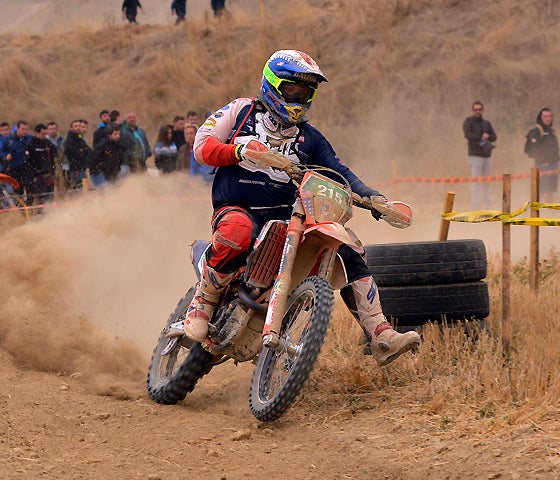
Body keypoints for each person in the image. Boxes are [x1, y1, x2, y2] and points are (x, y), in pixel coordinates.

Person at [184, 49, 421, 366]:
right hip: (237, 207)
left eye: (305, 92)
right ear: (272, 84)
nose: (297, 98)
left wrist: (375, 199)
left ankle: (380, 334)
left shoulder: (310, 138)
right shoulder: (241, 111)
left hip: (287, 218)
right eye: (291, 90)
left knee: (347, 249)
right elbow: (202, 146)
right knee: (237, 232)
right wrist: (239, 150)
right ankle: (205, 297)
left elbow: (341, 173)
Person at [463, 101, 497, 210]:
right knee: (476, 181)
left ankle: (487, 204)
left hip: (487, 155)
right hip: (475, 155)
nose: (477, 111)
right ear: (473, 110)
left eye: (479, 109)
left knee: (487, 181)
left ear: (482, 110)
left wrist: (488, 136)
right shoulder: (468, 122)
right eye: (475, 109)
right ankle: (475, 206)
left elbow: (494, 137)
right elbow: (468, 135)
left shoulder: (487, 123)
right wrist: (480, 137)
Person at [525, 107, 559, 204]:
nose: (548, 118)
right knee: (541, 191)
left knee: (551, 191)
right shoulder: (537, 130)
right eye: (545, 116)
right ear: (541, 117)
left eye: (549, 116)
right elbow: (534, 148)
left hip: (554, 165)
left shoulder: (551, 131)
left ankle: (548, 213)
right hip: (542, 166)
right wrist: (542, 162)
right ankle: (536, 212)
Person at [0, 120, 33, 197]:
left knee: (30, 187)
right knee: (16, 189)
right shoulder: (8, 140)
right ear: (17, 129)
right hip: (13, 168)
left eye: (26, 129)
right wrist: (6, 156)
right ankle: (18, 205)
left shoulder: (29, 139)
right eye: (23, 129)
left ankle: (28, 205)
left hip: (26, 168)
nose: (25, 131)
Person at [25, 123, 57, 205]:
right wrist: (32, 177)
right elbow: (27, 163)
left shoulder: (48, 143)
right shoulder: (31, 145)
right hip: (37, 177)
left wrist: (53, 171)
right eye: (43, 134)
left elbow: (56, 154)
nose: (44, 136)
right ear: (36, 133)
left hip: (48, 176)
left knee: (50, 198)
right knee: (40, 199)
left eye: (46, 134)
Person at [63, 119, 91, 189]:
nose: (78, 128)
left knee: (84, 187)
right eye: (75, 126)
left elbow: (88, 150)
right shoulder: (69, 139)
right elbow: (74, 152)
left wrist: (83, 150)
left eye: (79, 126)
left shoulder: (79, 137)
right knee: (79, 188)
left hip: (82, 167)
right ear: (72, 128)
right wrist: (82, 151)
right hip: (75, 168)